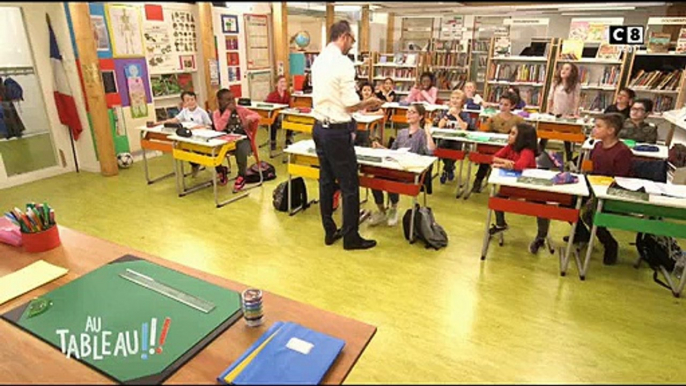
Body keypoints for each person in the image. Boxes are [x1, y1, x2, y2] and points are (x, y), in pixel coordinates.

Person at [311, 20, 384, 251]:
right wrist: (369, 102)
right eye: (351, 40)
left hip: (319, 128)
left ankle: (329, 230)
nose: (351, 45)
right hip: (336, 131)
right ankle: (351, 237)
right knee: (350, 184)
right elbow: (351, 105)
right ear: (343, 37)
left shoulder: (319, 60)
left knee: (326, 181)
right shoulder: (343, 63)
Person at [568, 113, 633, 265]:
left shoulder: (622, 151)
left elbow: (622, 179)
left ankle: (609, 244)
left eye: (598, 127)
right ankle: (582, 234)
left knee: (590, 214)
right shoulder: (597, 146)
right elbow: (593, 170)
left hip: (613, 191)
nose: (594, 129)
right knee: (568, 201)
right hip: (594, 186)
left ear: (610, 130)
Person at [368, 104, 436, 227]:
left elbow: (431, 151)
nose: (408, 114)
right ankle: (382, 210)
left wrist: (428, 133)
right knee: (375, 180)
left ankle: (393, 208)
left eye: (413, 112)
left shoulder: (422, 134)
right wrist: (380, 147)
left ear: (420, 116)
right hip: (396, 166)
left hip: (410, 172)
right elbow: (392, 151)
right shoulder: (402, 133)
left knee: (392, 182)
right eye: (408, 112)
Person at [486, 123, 550, 253]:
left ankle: (541, 237)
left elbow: (520, 166)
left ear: (523, 138)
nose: (509, 135)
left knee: (542, 208)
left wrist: (502, 164)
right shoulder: (510, 147)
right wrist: (504, 163)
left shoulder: (527, 151)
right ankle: (501, 224)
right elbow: (494, 157)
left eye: (513, 133)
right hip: (513, 186)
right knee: (497, 199)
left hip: (529, 187)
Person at [471, 92, 525, 193]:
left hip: (508, 149)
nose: (502, 107)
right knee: (485, 158)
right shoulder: (494, 118)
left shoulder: (518, 120)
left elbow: (523, 133)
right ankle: (478, 180)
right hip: (493, 147)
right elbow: (485, 132)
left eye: (506, 105)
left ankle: (505, 186)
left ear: (512, 106)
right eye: (501, 104)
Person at [212, 88, 261, 192]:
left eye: (233, 99)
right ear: (220, 101)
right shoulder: (217, 113)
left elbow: (256, 115)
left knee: (241, 148)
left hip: (242, 139)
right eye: (228, 100)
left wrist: (249, 119)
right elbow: (219, 127)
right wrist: (228, 111)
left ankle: (242, 175)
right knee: (211, 150)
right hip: (225, 141)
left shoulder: (240, 109)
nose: (232, 102)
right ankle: (221, 170)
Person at [157, 91, 213, 177]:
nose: (190, 102)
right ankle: (195, 163)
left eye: (192, 99)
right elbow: (174, 120)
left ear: (196, 100)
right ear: (184, 102)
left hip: (201, 138)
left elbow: (209, 126)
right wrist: (161, 122)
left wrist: (198, 128)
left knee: (195, 151)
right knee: (182, 148)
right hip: (188, 136)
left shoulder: (202, 112)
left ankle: (196, 163)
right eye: (187, 100)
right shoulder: (184, 111)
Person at [541, 62, 581, 163]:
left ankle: (569, 161)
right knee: (544, 137)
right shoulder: (555, 83)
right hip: (554, 113)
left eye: (567, 69)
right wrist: (547, 112)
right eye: (562, 68)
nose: (563, 71)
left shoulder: (575, 85)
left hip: (567, 114)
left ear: (572, 72)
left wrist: (575, 113)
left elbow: (576, 99)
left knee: (567, 139)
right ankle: (539, 156)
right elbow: (550, 97)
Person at [434, 89, 475, 184]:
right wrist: (448, 114)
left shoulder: (465, 114)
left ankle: (446, 169)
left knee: (456, 150)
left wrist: (456, 115)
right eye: (452, 98)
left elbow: (464, 127)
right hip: (446, 138)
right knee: (441, 147)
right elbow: (440, 126)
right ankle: (449, 168)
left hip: (458, 140)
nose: (454, 100)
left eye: (458, 98)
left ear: (462, 102)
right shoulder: (445, 112)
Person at [265, 75, 293, 151]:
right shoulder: (272, 95)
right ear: (276, 84)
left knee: (290, 118)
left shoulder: (288, 94)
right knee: (273, 120)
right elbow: (267, 107)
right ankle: (273, 141)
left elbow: (290, 106)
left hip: (284, 114)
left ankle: (288, 139)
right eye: (281, 82)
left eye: (284, 82)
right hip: (275, 115)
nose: (284, 83)